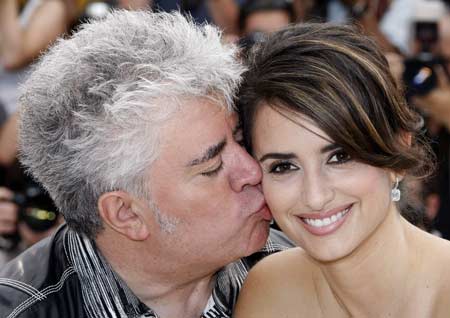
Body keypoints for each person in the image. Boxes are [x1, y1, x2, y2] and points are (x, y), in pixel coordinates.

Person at [0, 10, 292, 318]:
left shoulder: (301, 268)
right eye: (211, 167)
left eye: (241, 138)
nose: (252, 170)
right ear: (127, 214)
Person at [234, 23, 450, 317]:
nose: (315, 196)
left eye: (340, 156)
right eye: (283, 166)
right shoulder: (270, 290)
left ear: (398, 153)